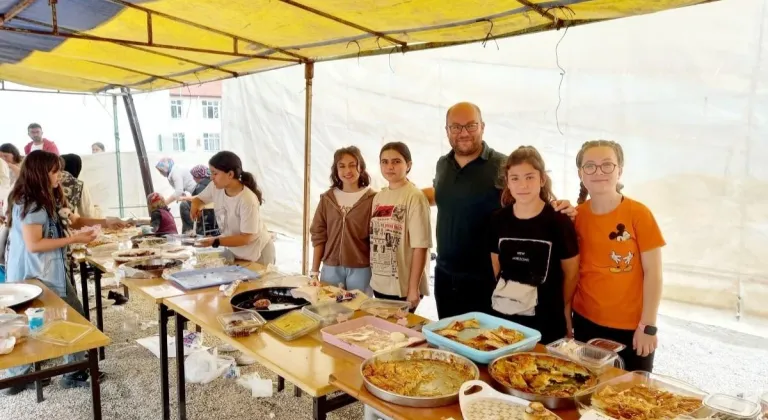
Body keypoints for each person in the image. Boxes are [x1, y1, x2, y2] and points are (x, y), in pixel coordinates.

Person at [422, 102, 575, 319]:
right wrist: (404, 194)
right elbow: (442, 194)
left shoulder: (501, 164)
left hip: (486, 278)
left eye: (471, 126)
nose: (463, 133)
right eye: (455, 127)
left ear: (482, 127)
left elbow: (531, 195)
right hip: (445, 275)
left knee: (484, 345)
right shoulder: (442, 164)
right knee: (448, 343)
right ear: (446, 130)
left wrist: (561, 207)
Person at [3, 150, 128, 394]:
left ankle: (19, 377)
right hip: (37, 273)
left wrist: (106, 222)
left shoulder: (46, 196)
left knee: (36, 320)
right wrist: (75, 239)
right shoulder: (32, 203)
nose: (59, 175)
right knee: (71, 316)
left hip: (45, 271)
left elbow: (75, 218)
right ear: (40, 173)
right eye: (54, 171)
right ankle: (73, 371)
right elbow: (34, 244)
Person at [571, 140, 664, 372]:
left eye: (607, 165)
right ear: (580, 173)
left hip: (633, 329)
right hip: (585, 323)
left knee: (631, 401)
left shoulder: (638, 214)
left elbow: (654, 274)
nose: (598, 172)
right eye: (590, 166)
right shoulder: (575, 216)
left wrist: (648, 326)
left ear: (619, 170)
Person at [487, 146, 579, 344]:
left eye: (530, 177)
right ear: (507, 182)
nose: (523, 185)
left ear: (542, 179)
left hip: (546, 322)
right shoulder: (498, 220)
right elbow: (496, 266)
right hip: (505, 319)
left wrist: (559, 307)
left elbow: (572, 273)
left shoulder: (559, 221)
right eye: (515, 178)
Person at [369, 142, 431, 310]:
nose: (390, 167)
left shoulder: (414, 197)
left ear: (408, 165)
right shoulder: (378, 197)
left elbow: (421, 246)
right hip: (380, 283)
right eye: (384, 162)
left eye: (396, 161)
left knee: (400, 333)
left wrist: (413, 289)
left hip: (403, 286)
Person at [310, 146, 376, 294]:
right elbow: (318, 235)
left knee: (359, 312)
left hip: (362, 269)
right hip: (330, 267)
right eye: (342, 166)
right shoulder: (327, 199)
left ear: (361, 167)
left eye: (352, 165)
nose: (348, 171)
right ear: (336, 170)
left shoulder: (373, 199)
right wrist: (315, 271)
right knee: (329, 311)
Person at [190, 151, 275, 264]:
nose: (211, 178)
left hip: (257, 253)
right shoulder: (215, 187)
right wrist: (195, 205)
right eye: (211, 173)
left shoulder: (247, 199)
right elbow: (199, 199)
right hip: (236, 252)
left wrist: (215, 241)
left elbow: (246, 238)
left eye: (215, 173)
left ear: (230, 174)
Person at [155, 158, 196, 232]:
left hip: (197, 194)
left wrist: (165, 203)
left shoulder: (175, 172)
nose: (160, 173)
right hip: (193, 194)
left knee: (184, 206)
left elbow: (178, 191)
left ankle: (188, 233)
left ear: (165, 167)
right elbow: (181, 190)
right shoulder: (174, 171)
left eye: (160, 170)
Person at [179, 164, 214, 235]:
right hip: (213, 213)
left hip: (206, 213)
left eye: (194, 176)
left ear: (198, 176)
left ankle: (189, 231)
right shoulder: (211, 182)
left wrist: (184, 198)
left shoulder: (202, 184)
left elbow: (200, 197)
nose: (193, 179)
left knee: (184, 205)